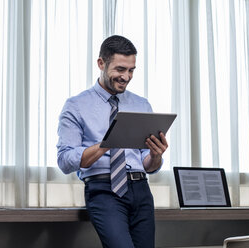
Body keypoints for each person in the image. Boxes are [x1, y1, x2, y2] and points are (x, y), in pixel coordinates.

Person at [57, 35, 168, 248]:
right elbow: (64, 160)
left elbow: (149, 165)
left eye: (131, 70)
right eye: (120, 69)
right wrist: (106, 143)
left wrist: (156, 155)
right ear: (101, 63)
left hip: (141, 189)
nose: (126, 77)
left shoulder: (141, 105)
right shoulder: (76, 106)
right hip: (104, 190)